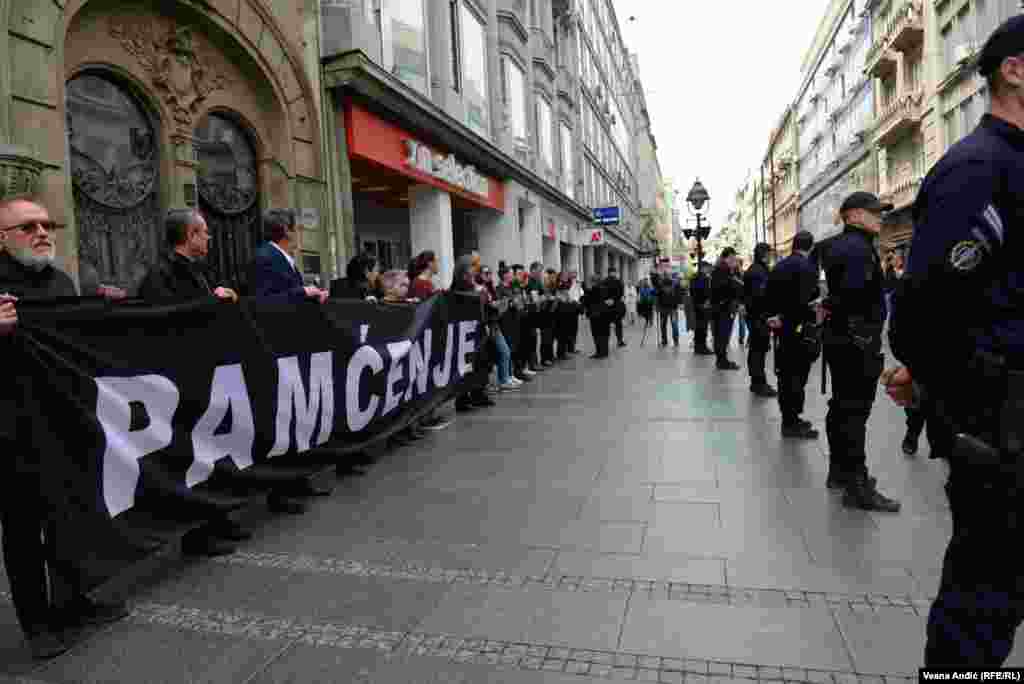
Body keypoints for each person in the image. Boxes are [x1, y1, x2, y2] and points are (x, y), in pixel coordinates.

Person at [882, 16, 1024, 666]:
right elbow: (924, 310)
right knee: (981, 611)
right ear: (1014, 71)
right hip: (1000, 429)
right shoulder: (978, 168)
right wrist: (963, 408)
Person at [0, 197, 129, 660]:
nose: (42, 232)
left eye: (46, 224)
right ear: (2, 238)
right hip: (12, 431)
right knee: (22, 530)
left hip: (63, 418)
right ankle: (37, 624)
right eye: (27, 227)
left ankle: (74, 601)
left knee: (69, 515)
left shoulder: (60, 281)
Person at [138, 209, 252, 557]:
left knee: (212, 451)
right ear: (189, 236)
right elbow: (165, 320)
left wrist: (219, 297)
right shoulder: (161, 275)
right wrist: (210, 301)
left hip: (207, 372)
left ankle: (217, 516)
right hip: (182, 378)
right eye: (204, 232)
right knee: (190, 457)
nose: (209, 238)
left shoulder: (200, 271)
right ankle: (196, 533)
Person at [818, 192, 900, 513]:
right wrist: (863, 335)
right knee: (854, 414)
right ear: (852, 216)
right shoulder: (857, 249)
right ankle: (857, 485)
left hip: (843, 340)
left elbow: (839, 295)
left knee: (841, 408)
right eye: (873, 212)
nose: (880, 217)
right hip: (857, 342)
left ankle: (840, 472)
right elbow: (855, 297)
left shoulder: (839, 246)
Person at [246, 208, 331, 512]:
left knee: (297, 417)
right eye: (296, 228)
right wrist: (301, 293)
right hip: (277, 350)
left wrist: (309, 295)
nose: (299, 234)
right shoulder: (265, 258)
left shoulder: (282, 258)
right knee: (282, 420)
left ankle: (298, 479)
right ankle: (280, 491)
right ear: (286, 230)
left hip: (293, 349)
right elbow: (263, 303)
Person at [765, 231, 820, 439]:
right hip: (800, 329)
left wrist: (775, 317)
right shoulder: (808, 267)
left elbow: (768, 296)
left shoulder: (778, 267)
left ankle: (788, 418)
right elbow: (807, 299)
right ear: (810, 247)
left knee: (786, 374)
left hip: (782, 329)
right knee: (798, 375)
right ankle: (791, 421)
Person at [743, 243, 777, 397]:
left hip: (756, 316)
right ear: (764, 254)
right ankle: (759, 383)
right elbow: (761, 296)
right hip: (759, 317)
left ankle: (756, 382)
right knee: (758, 351)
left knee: (757, 350)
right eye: (769, 254)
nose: (771, 257)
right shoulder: (758, 272)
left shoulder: (756, 269)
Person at [710, 248, 743, 370]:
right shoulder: (722, 270)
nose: (734, 260)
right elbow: (724, 287)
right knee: (722, 335)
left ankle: (722, 360)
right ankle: (722, 361)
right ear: (727, 257)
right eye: (733, 258)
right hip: (722, 308)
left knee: (721, 335)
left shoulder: (722, 269)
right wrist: (735, 282)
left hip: (722, 307)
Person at [653, 269, 684, 348]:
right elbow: (657, 294)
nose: (666, 276)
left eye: (667, 274)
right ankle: (671, 341)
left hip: (669, 308)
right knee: (669, 325)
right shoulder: (673, 283)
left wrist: (680, 303)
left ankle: (668, 341)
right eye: (666, 274)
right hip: (667, 308)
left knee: (669, 325)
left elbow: (679, 293)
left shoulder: (662, 284)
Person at [583, 273, 611, 358]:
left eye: (591, 281)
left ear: (593, 282)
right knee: (605, 333)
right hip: (605, 314)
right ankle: (605, 351)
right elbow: (609, 301)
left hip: (595, 315)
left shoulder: (591, 290)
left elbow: (587, 302)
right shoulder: (605, 289)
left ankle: (599, 352)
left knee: (597, 334)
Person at [690, 261, 714, 355]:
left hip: (697, 305)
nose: (709, 269)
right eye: (707, 267)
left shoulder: (694, 277)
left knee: (699, 327)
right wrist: (706, 301)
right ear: (703, 267)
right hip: (703, 305)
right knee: (702, 327)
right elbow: (703, 291)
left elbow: (693, 292)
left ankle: (698, 347)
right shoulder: (703, 278)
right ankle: (702, 347)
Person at [605, 266, 627, 347]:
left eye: (613, 272)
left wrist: (608, 300)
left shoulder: (606, 281)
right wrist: (612, 300)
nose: (613, 273)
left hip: (611, 305)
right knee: (617, 324)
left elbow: (621, 292)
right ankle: (619, 341)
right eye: (613, 272)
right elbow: (621, 293)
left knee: (614, 324)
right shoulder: (617, 281)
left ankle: (617, 341)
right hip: (614, 305)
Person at [736, 258, 748, 348]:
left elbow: (746, 285)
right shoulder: (734, 273)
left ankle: (742, 338)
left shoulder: (745, 274)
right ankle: (741, 338)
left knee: (742, 321)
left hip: (742, 301)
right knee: (741, 321)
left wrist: (738, 280)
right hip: (737, 300)